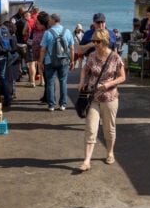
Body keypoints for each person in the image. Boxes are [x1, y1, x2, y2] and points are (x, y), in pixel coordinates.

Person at [76, 28, 125, 171]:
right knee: (91, 128)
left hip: (110, 98)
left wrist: (109, 84)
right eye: (94, 41)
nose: (95, 44)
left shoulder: (115, 57)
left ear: (105, 41)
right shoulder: (91, 56)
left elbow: (122, 77)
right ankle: (86, 161)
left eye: (97, 41)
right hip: (93, 97)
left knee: (109, 129)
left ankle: (110, 152)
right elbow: (85, 69)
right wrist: (81, 82)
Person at [39, 12, 74, 111]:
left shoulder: (48, 33)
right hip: (64, 60)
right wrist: (72, 60)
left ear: (54, 21)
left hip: (50, 61)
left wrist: (40, 62)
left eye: (50, 20)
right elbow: (71, 48)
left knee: (50, 82)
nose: (49, 22)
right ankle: (63, 104)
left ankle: (51, 105)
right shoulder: (67, 31)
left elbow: (43, 49)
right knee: (63, 81)